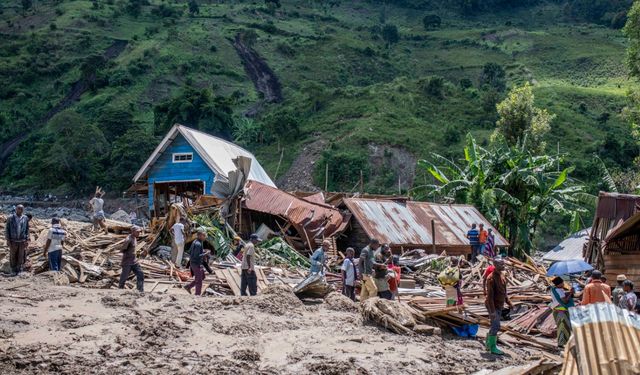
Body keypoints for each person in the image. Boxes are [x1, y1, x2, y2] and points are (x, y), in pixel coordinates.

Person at [485, 257, 512, 355]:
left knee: (494, 325)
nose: (503, 266)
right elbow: (489, 297)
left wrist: (509, 302)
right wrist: (492, 311)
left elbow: (504, 292)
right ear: (495, 265)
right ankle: (492, 347)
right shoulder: (491, 278)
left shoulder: (502, 275)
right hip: (493, 305)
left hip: (499, 304)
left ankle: (488, 344)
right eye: (501, 264)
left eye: (503, 264)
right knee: (496, 326)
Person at [5, 204, 30, 275]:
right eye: (19, 209)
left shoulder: (25, 218)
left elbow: (27, 229)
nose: (20, 210)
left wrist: (27, 239)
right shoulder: (10, 218)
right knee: (13, 255)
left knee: (21, 255)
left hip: (22, 241)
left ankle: (19, 270)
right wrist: (8, 240)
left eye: (21, 209)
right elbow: (7, 229)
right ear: (16, 209)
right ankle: (13, 270)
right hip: (13, 240)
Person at [550, 277, 574, 347]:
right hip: (562, 310)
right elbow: (565, 301)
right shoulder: (560, 290)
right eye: (562, 283)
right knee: (564, 326)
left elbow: (561, 294)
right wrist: (570, 294)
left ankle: (562, 342)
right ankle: (562, 343)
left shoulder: (553, 289)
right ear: (559, 284)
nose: (563, 284)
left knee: (560, 326)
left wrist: (569, 292)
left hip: (556, 309)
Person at [118, 226, 144, 293]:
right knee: (124, 276)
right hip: (127, 262)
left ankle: (140, 290)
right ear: (132, 231)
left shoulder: (135, 238)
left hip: (134, 261)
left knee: (140, 274)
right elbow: (122, 250)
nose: (139, 233)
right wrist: (128, 255)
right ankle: (120, 289)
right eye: (137, 232)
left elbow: (136, 248)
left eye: (139, 232)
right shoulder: (128, 240)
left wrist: (138, 256)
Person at [184, 230, 209, 296]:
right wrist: (205, 254)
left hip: (195, 263)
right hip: (196, 263)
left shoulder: (196, 242)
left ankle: (188, 286)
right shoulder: (198, 244)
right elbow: (197, 256)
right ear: (200, 236)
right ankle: (197, 295)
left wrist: (202, 252)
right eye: (204, 236)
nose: (205, 237)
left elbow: (190, 251)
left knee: (202, 277)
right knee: (199, 281)